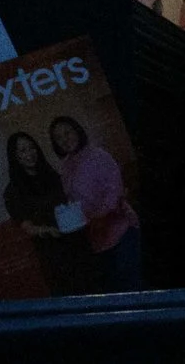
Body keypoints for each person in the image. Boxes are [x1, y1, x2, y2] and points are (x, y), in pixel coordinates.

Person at [52, 114, 141, 292]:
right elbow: (72, 201)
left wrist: (98, 217)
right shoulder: (66, 167)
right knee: (116, 291)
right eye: (58, 137)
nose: (65, 139)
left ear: (77, 131)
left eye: (67, 132)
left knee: (135, 288)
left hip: (121, 232)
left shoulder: (98, 155)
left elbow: (115, 192)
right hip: (96, 242)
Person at [2, 130, 92, 295]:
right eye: (23, 150)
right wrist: (46, 230)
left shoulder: (51, 175)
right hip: (54, 253)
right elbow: (27, 226)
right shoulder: (13, 191)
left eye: (32, 148)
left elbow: (69, 201)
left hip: (78, 242)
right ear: (15, 156)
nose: (30, 153)